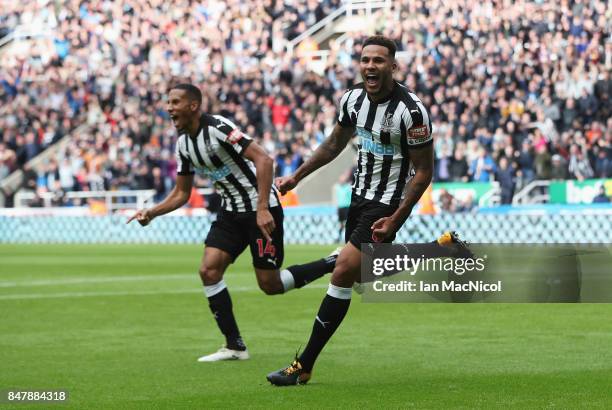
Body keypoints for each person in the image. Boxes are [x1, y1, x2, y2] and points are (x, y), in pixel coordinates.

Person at [266, 36, 469, 386]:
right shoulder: (352, 99)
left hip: (386, 201)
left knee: (343, 271)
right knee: (362, 276)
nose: (370, 66)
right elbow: (334, 143)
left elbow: (424, 172)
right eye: (365, 60)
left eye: (378, 60)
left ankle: (304, 364)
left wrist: (396, 217)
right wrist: (296, 177)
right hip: (358, 196)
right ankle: (439, 248)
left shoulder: (412, 112)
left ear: (393, 66)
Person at [128, 83, 337, 362]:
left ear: (193, 106)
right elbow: (181, 193)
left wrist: (262, 208)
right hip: (230, 213)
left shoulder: (217, 128)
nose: (169, 108)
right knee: (209, 271)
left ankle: (333, 262)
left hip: (262, 209)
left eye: (175, 102)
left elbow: (264, 159)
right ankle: (235, 346)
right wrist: (151, 213)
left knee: (270, 285)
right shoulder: (183, 145)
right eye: (168, 103)